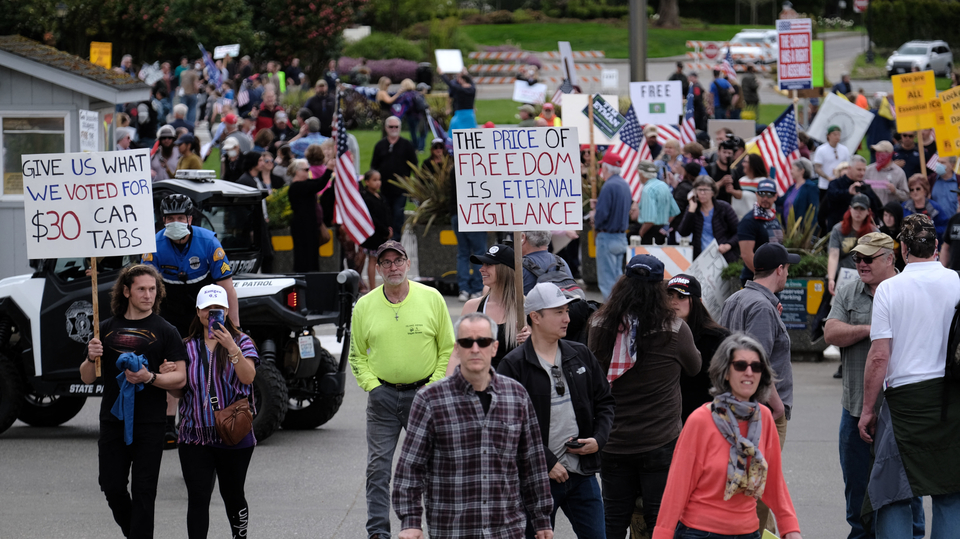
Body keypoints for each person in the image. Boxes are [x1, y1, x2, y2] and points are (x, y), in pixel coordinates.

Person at [392, 312, 554, 539]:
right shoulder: (430, 399)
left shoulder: (516, 396)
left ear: (495, 348)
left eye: (483, 341)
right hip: (454, 530)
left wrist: (542, 518)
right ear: (457, 349)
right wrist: (410, 521)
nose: (475, 349)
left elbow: (533, 463)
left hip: (507, 530)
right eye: (467, 342)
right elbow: (410, 467)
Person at [858, 214, 960, 538]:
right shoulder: (957, 281)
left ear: (902, 249)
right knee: (950, 492)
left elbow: (878, 357)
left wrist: (867, 410)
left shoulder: (889, 289)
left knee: (893, 494)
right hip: (951, 399)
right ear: (936, 247)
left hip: (904, 403)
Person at [587, 254, 701, 538]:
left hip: (613, 440)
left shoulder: (600, 324)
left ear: (623, 284)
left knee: (612, 520)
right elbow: (695, 366)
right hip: (659, 440)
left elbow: (593, 372)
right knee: (659, 520)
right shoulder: (674, 328)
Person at [348, 240, 455, 539]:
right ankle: (378, 533)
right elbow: (357, 355)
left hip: (425, 398)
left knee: (434, 468)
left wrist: (432, 387)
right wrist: (372, 387)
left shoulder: (431, 298)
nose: (393, 267)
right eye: (386, 262)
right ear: (378, 268)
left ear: (408, 264)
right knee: (378, 470)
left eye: (398, 261)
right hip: (382, 399)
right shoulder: (365, 306)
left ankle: (438, 529)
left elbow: (447, 349)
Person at [824, 232, 925, 539]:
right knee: (856, 491)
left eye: (868, 259)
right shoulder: (850, 291)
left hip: (900, 412)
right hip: (855, 409)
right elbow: (830, 332)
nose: (861, 265)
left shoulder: (909, 290)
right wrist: (873, 329)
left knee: (908, 491)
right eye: (857, 259)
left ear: (889, 258)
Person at [652, 333, 802, 539]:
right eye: (740, 365)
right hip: (699, 532)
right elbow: (677, 486)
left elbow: (774, 482)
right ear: (725, 372)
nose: (749, 372)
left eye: (756, 366)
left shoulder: (764, 418)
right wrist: (662, 535)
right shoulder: (701, 420)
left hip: (748, 532)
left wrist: (790, 528)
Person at [498, 283, 615, 539]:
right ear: (536, 317)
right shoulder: (514, 365)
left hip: (582, 475)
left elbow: (605, 402)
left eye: (567, 310)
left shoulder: (580, 354)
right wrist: (546, 461)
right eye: (559, 312)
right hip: (536, 479)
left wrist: (598, 439)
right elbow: (505, 427)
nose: (567, 318)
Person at [79, 264, 187, 539]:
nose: (148, 295)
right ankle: (136, 534)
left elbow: (180, 380)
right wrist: (91, 358)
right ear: (126, 291)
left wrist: (149, 378)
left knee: (144, 491)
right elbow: (87, 378)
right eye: (141, 289)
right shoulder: (104, 329)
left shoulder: (167, 331)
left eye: (152, 289)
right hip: (113, 421)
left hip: (149, 422)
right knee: (111, 486)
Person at [167, 284, 259, 539]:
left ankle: (239, 536)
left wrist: (231, 347)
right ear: (198, 312)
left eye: (218, 308)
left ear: (227, 311)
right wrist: (169, 379)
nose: (212, 313)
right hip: (194, 436)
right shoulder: (186, 347)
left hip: (234, 434)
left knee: (233, 495)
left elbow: (249, 377)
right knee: (197, 498)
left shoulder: (242, 341)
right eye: (207, 308)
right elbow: (178, 393)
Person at [720, 242, 799, 532]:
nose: (787, 274)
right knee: (762, 489)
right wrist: (776, 405)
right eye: (787, 268)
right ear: (779, 270)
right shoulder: (762, 307)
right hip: (763, 412)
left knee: (749, 483)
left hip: (737, 407)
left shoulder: (736, 298)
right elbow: (757, 363)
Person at [666, 275, 730, 422]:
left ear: (697, 302)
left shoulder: (717, 337)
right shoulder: (658, 333)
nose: (673, 301)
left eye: (681, 296)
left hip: (706, 418)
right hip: (669, 422)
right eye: (669, 295)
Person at [457, 244, 526, 371]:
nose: (481, 269)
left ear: (504, 270)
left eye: (488, 265)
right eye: (482, 264)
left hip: (514, 384)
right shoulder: (472, 307)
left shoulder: (526, 308)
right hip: (478, 383)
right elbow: (457, 353)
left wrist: (532, 341)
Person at [591, 152, 632, 300]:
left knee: (607, 281)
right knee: (617, 279)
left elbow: (602, 214)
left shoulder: (608, 186)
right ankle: (620, 309)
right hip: (620, 236)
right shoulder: (624, 184)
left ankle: (610, 314)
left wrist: (594, 216)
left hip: (607, 236)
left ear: (606, 167)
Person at [370, 116, 418, 241]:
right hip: (384, 188)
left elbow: (415, 166)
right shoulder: (380, 145)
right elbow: (373, 166)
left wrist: (417, 185)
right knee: (385, 215)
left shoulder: (407, 145)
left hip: (401, 189)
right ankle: (386, 239)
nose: (393, 129)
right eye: (391, 126)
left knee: (398, 214)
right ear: (386, 128)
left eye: (396, 126)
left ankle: (397, 241)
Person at [676, 176, 741, 262]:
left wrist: (728, 245)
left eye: (706, 190)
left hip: (723, 256)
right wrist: (691, 209)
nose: (702, 193)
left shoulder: (724, 208)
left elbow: (739, 232)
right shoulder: (693, 209)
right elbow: (683, 232)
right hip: (701, 258)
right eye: (699, 190)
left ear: (713, 192)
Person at [827, 194, 879, 295]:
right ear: (850, 209)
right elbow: (833, 255)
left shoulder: (875, 233)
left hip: (866, 278)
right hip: (841, 277)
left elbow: (878, 258)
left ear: (868, 212)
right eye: (856, 208)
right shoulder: (838, 229)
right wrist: (831, 279)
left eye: (862, 209)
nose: (858, 212)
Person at [285, 158, 331, 272]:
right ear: (297, 171)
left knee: (312, 255)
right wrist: (329, 170)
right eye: (306, 169)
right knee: (304, 257)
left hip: (310, 226)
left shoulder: (305, 184)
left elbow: (318, 182)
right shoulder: (297, 187)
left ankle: (312, 279)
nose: (308, 172)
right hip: (302, 227)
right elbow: (319, 184)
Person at [737, 179, 784, 283]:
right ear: (756, 195)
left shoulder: (773, 218)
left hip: (773, 278)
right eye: (762, 194)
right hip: (755, 279)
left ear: (775, 196)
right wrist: (764, 277)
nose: (765, 198)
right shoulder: (749, 220)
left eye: (769, 194)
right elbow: (746, 254)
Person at [825, 156, 883, 232]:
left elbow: (876, 208)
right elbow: (831, 197)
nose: (862, 173)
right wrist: (848, 192)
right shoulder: (836, 184)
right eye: (859, 169)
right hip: (839, 231)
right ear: (849, 168)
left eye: (864, 170)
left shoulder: (864, 187)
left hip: (861, 232)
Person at [360, 170, 393, 291]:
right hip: (374, 234)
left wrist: (389, 228)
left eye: (379, 180)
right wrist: (384, 230)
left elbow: (387, 213)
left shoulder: (380, 196)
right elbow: (372, 218)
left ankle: (386, 284)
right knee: (373, 259)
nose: (378, 183)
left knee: (383, 259)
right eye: (374, 180)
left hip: (384, 233)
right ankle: (372, 287)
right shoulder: (366, 198)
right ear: (367, 182)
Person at [637, 160, 680, 245]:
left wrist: (641, 232)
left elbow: (650, 219)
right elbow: (674, 211)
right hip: (662, 231)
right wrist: (664, 225)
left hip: (649, 232)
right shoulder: (663, 185)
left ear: (642, 174)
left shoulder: (647, 190)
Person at [902, 173, 949, 240]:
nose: (915, 192)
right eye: (912, 190)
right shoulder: (904, 207)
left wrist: (929, 232)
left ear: (925, 190)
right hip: (911, 246)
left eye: (918, 189)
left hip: (932, 245)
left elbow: (945, 227)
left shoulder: (935, 207)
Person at [864, 140, 908, 207]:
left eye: (880, 152)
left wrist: (895, 191)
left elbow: (906, 196)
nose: (878, 154)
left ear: (889, 154)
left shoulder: (899, 172)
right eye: (877, 152)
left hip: (889, 213)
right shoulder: (869, 170)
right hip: (871, 212)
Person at [778, 157, 820, 224]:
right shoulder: (792, 187)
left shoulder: (810, 188)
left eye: (793, 169)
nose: (791, 171)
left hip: (801, 231)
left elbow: (813, 211)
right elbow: (782, 201)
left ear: (802, 171)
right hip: (787, 229)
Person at [709, 137, 744, 206]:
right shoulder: (709, 169)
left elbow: (740, 195)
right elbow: (704, 190)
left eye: (729, 153)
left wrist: (732, 191)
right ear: (718, 152)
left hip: (727, 208)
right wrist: (721, 182)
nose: (727, 155)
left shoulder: (733, 172)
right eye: (724, 152)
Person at [880, 201, 906, 271]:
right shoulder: (879, 232)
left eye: (891, 215)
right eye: (885, 215)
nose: (888, 218)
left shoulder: (904, 234)